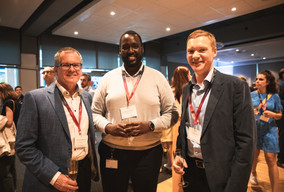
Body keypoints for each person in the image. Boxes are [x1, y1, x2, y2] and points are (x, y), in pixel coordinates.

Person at [92, 30, 178, 192]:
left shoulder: (157, 77)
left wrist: (151, 125)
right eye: (125, 47)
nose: (130, 51)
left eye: (135, 46)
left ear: (142, 49)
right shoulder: (107, 79)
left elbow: (172, 113)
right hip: (112, 152)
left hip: (148, 154)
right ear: (119, 51)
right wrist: (108, 127)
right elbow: (94, 114)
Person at [172, 29, 256, 192]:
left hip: (222, 177)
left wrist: (236, 186)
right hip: (191, 173)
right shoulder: (186, 89)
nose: (195, 55)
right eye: (191, 51)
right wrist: (178, 154)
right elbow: (184, 128)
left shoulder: (236, 86)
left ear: (214, 51)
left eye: (202, 50)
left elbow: (246, 142)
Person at [15, 47, 98, 192]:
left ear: (81, 68)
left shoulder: (86, 97)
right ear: (56, 69)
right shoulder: (35, 98)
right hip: (50, 178)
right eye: (66, 65)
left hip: (83, 172)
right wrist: (53, 176)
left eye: (76, 65)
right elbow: (24, 147)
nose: (72, 69)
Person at [250, 70, 283, 191]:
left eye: (261, 79)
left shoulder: (275, 96)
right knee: (254, 155)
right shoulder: (252, 94)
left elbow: (280, 115)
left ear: (267, 82)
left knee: (270, 158)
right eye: (257, 79)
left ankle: (275, 189)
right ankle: (253, 172)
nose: (257, 81)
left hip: (270, 129)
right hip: (255, 128)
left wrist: (273, 114)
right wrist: (251, 112)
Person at [161, 66, 191, 172]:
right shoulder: (189, 89)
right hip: (182, 121)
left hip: (170, 120)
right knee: (181, 143)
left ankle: (170, 164)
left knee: (169, 144)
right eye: (189, 74)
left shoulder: (170, 90)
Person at [0, 83, 18, 192]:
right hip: (14, 137)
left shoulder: (8, 103)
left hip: (8, 138)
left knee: (5, 172)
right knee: (11, 167)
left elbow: (9, 122)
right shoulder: (15, 101)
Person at [276, 68, 284, 170]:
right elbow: (278, 101)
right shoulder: (280, 85)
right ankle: (281, 160)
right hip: (283, 117)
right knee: (283, 139)